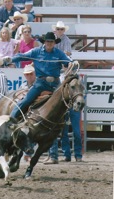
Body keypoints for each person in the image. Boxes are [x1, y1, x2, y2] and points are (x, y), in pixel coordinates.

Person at [3, 32, 73, 119]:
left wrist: (72, 64)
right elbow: (22, 56)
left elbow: (68, 62)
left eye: (51, 41)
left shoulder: (59, 53)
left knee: (66, 103)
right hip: (40, 83)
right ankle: (11, 120)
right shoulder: (36, 51)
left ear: (55, 43)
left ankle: (64, 126)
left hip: (55, 84)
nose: (49, 43)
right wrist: (11, 59)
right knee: (26, 100)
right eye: (47, 41)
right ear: (44, 42)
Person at [45, 21, 74, 164]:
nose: (60, 30)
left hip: (60, 73)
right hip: (58, 72)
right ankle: (66, 154)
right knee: (62, 124)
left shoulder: (64, 42)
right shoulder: (55, 43)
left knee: (60, 123)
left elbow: (67, 56)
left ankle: (63, 154)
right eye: (58, 29)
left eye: (62, 29)